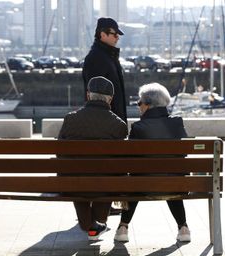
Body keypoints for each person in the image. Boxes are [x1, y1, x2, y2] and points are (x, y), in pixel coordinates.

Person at [114, 82, 191, 243]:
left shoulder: (138, 127)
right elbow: (183, 153)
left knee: (135, 180)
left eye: (139, 102)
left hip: (143, 186)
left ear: (148, 105)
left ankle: (123, 227)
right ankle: (183, 228)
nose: (138, 106)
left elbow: (130, 159)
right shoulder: (177, 123)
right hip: (176, 185)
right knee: (171, 176)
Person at [58, 76, 128, 241]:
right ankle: (96, 222)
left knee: (76, 175)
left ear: (88, 95)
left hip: (73, 184)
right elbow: (121, 162)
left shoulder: (70, 119)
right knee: (106, 177)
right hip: (105, 185)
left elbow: (60, 154)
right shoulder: (118, 125)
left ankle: (89, 225)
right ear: (110, 98)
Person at [83, 17, 127, 124]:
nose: (117, 38)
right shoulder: (96, 58)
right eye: (115, 34)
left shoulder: (108, 56)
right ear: (103, 35)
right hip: (105, 125)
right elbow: (95, 96)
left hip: (113, 122)